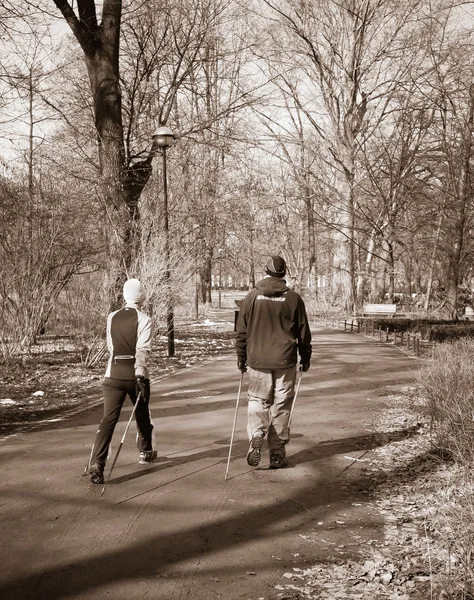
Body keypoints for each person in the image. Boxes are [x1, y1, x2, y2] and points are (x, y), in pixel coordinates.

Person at [235, 256, 312, 469]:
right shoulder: (294, 299)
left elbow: (241, 331)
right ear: (284, 273)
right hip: (285, 359)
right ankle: (277, 453)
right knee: (281, 403)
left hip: (257, 359)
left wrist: (241, 357)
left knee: (258, 400)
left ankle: (257, 435)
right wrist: (305, 357)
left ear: (266, 271)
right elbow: (303, 333)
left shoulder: (252, 297)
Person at [88, 278, 157, 484]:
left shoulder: (112, 317)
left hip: (113, 374)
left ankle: (97, 462)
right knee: (142, 413)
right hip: (135, 375)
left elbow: (111, 346)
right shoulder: (145, 319)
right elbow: (142, 349)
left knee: (108, 419)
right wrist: (139, 374)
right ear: (141, 296)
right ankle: (145, 451)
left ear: (125, 295)